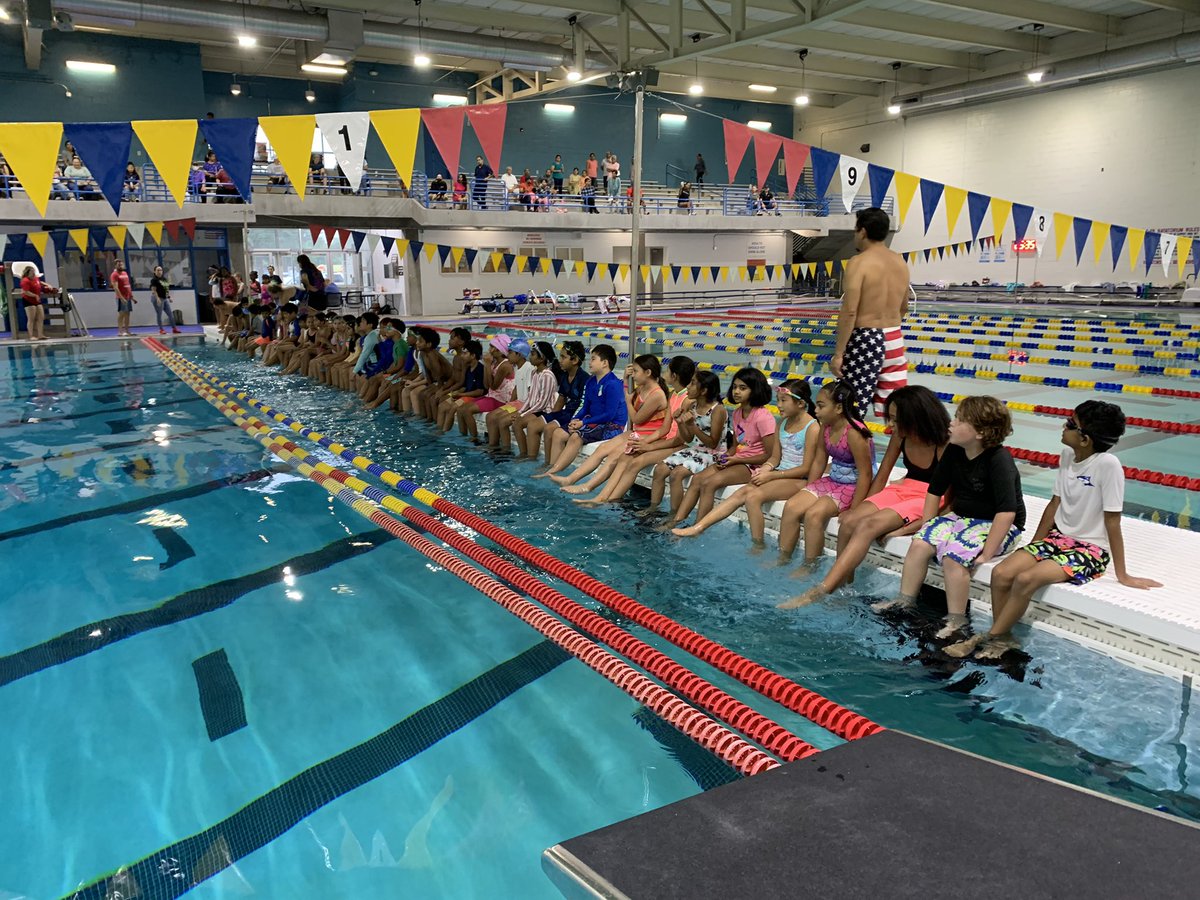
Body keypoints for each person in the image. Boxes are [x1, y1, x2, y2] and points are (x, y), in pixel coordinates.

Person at [945, 401, 1161, 659]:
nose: (1063, 426)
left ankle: (986, 637)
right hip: (1057, 539)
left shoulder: (1108, 465)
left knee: (1026, 579)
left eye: (1070, 424)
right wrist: (1035, 545)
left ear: (1085, 439)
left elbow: (1112, 521)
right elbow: (1054, 504)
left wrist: (1123, 574)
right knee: (1001, 573)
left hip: (1090, 549)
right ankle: (1003, 638)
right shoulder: (1068, 455)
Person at [873, 396, 1025, 641]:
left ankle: (956, 620)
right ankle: (905, 601)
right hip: (962, 518)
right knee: (920, 544)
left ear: (981, 432)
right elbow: (934, 491)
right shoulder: (955, 450)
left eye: (960, 420)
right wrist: (928, 526)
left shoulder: (999, 459)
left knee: (954, 558)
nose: (951, 423)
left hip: (999, 525)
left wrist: (988, 552)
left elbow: (1007, 512)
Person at [786, 385, 949, 608]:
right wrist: (860, 506)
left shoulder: (944, 443)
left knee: (868, 526)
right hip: (903, 489)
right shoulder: (900, 436)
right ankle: (844, 586)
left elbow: (949, 497)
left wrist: (909, 528)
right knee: (849, 521)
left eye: (895, 419)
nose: (890, 425)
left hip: (929, 496)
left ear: (915, 417)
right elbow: (882, 475)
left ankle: (821, 590)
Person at [673, 379, 820, 544]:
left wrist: (771, 475)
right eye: (778, 400)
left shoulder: (812, 428)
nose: (779, 405)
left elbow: (806, 468)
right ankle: (698, 528)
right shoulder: (782, 423)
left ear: (800, 403)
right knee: (740, 493)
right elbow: (775, 458)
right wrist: (766, 469)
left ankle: (758, 545)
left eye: (783, 401)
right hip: (779, 473)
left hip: (798, 479)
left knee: (753, 497)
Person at [774, 380, 875, 579]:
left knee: (814, 515)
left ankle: (810, 565)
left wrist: (854, 510)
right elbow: (820, 461)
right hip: (832, 480)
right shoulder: (826, 427)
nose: (816, 410)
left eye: (821, 406)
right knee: (792, 506)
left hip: (852, 486)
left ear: (838, 408)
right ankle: (784, 557)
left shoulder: (854, 433)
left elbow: (866, 474)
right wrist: (810, 488)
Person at [657, 367, 776, 531]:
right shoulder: (738, 413)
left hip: (755, 466)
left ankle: (697, 528)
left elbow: (769, 455)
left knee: (709, 483)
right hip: (738, 460)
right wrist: (727, 456)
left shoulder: (763, 417)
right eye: (735, 387)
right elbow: (734, 446)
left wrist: (736, 459)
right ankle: (676, 521)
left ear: (755, 389)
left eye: (743, 388)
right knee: (697, 479)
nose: (736, 391)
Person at [574, 356, 698, 505]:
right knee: (624, 457)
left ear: (674, 376)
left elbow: (680, 439)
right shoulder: (673, 395)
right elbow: (664, 429)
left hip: (678, 445)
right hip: (665, 440)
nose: (664, 373)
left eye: (667, 370)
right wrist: (645, 442)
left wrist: (649, 446)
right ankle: (603, 497)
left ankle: (609, 499)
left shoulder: (686, 401)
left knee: (636, 463)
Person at [832, 206, 909, 420]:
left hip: (866, 339)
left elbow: (850, 311)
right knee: (895, 413)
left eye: (855, 231)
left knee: (849, 410)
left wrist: (839, 354)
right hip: (894, 338)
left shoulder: (858, 262)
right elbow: (904, 306)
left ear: (863, 231)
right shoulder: (900, 261)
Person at [550, 354, 668, 491]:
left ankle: (588, 487)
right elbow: (628, 396)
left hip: (648, 435)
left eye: (635, 371)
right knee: (602, 448)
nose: (633, 375)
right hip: (637, 432)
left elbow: (636, 419)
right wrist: (625, 379)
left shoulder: (656, 394)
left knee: (614, 455)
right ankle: (569, 479)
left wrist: (628, 401)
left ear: (647, 373)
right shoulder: (642, 388)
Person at [640, 370, 725, 519]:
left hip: (713, 454)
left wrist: (692, 426)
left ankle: (675, 515)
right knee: (660, 469)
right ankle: (653, 508)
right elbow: (689, 437)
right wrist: (680, 423)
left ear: (704, 391)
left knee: (676, 474)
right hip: (695, 449)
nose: (688, 386)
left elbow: (713, 443)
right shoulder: (693, 406)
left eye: (693, 383)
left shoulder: (718, 410)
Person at [535, 344, 628, 478]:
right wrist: (575, 420)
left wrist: (583, 423)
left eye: (593, 359)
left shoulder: (613, 384)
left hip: (612, 426)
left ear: (605, 363)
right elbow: (585, 407)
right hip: (594, 422)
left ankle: (552, 472)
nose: (589, 362)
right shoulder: (591, 382)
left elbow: (609, 415)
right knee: (558, 433)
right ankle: (553, 468)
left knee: (576, 436)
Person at [521, 341, 589, 464]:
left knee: (549, 429)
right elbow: (561, 399)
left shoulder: (584, 379)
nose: (560, 360)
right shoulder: (565, 376)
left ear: (574, 360)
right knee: (533, 425)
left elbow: (585, 405)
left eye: (563, 357)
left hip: (576, 416)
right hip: (565, 412)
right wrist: (551, 416)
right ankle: (531, 459)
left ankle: (549, 464)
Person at [498, 341, 562, 454]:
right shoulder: (535, 373)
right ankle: (523, 453)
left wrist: (523, 414)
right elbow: (530, 397)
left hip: (545, 411)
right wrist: (521, 412)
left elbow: (542, 403)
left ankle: (529, 455)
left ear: (541, 358)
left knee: (519, 423)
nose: (529, 357)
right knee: (516, 423)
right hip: (536, 409)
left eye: (532, 354)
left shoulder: (547, 375)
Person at [457, 334, 515, 442]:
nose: (489, 350)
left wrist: (487, 365)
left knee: (467, 410)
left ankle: (474, 439)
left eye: (492, 347)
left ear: (500, 350)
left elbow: (493, 386)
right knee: (461, 409)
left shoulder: (505, 365)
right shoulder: (494, 363)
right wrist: (487, 365)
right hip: (491, 397)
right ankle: (463, 437)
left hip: (501, 400)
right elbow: (486, 385)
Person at [486, 338, 535, 449]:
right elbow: (516, 389)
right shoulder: (517, 367)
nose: (507, 355)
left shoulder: (529, 368)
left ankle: (506, 450)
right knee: (490, 416)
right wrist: (510, 404)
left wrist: (523, 411)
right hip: (518, 403)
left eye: (510, 352)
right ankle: (493, 446)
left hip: (526, 405)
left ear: (519, 355)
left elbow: (531, 393)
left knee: (502, 421)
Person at [440, 339, 487, 433]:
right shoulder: (469, 368)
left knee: (453, 407)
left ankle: (443, 433)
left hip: (476, 397)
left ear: (473, 356)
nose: (462, 355)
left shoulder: (480, 370)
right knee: (443, 405)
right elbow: (466, 386)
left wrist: (461, 394)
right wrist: (456, 393)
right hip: (466, 395)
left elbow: (480, 391)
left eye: (465, 353)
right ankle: (440, 428)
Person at [19, 265, 58, 341]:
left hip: (37, 300)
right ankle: (31, 336)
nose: (33, 273)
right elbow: (25, 292)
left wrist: (47, 285)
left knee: (41, 317)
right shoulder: (25, 281)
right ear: (27, 273)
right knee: (31, 319)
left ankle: (40, 334)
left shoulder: (35, 278)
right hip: (28, 300)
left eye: (34, 272)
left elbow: (40, 282)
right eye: (32, 272)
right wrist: (35, 295)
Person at [149, 265, 182, 335]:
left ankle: (174, 328)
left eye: (160, 270)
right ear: (154, 272)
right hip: (157, 298)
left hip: (164, 298)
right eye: (158, 270)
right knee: (159, 314)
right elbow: (154, 290)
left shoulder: (164, 279)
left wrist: (169, 297)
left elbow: (166, 290)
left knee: (170, 314)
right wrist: (157, 298)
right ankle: (161, 329)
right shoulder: (154, 280)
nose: (159, 272)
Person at [111, 259, 136, 337]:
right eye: (119, 265)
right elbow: (116, 288)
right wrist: (121, 298)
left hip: (127, 297)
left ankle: (127, 331)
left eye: (121, 265)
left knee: (127, 314)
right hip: (120, 298)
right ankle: (120, 331)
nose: (120, 266)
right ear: (115, 266)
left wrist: (132, 297)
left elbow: (128, 286)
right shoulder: (114, 275)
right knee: (121, 314)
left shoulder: (125, 273)